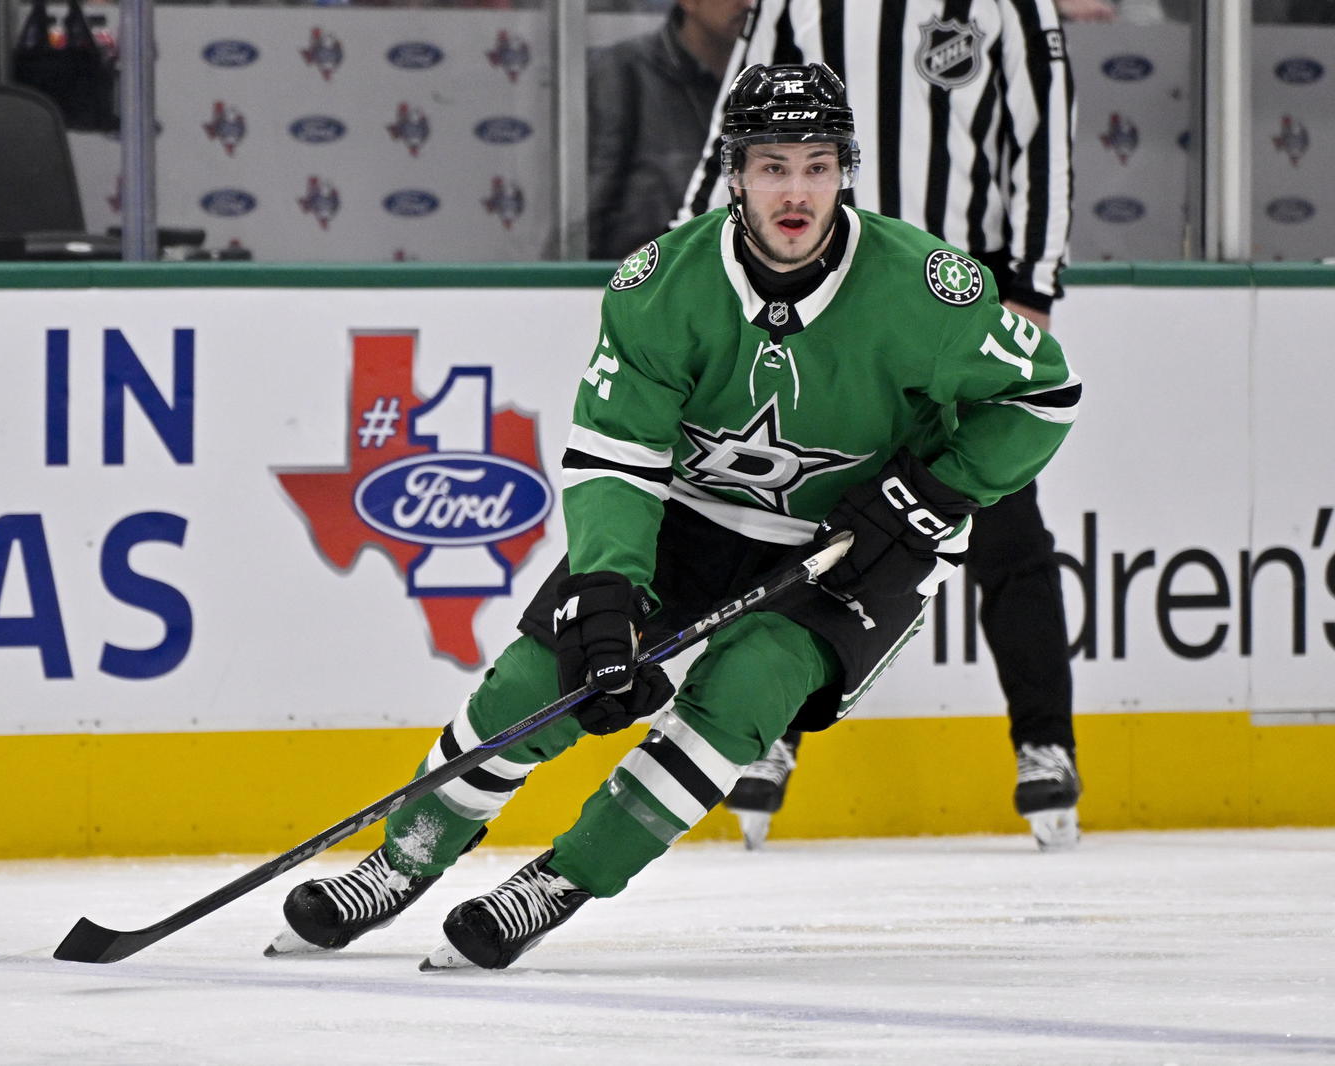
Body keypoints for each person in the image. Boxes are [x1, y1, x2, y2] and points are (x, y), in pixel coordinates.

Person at [264, 62, 1081, 971]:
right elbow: (617, 453)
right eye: (772, 166)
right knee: (540, 682)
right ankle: (401, 858)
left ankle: (560, 881)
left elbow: (1042, 399)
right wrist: (612, 584)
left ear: (846, 170)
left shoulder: (927, 289)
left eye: (817, 165)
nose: (796, 190)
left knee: (745, 694)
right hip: (687, 519)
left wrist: (926, 495)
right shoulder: (662, 286)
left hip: (854, 546)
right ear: (734, 174)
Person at [682, 1, 1084, 852]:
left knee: (1006, 527)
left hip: (956, 314)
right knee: (798, 524)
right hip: (827, 310)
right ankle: (770, 732)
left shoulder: (1010, 5)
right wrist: (692, 261)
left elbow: (1044, 134)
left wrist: (1033, 289)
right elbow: (737, 122)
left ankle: (1044, 742)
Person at [587, 0, 754, 260]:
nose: (748, 4)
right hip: (639, 273)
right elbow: (593, 203)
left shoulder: (761, 80)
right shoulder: (623, 71)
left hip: (731, 268)